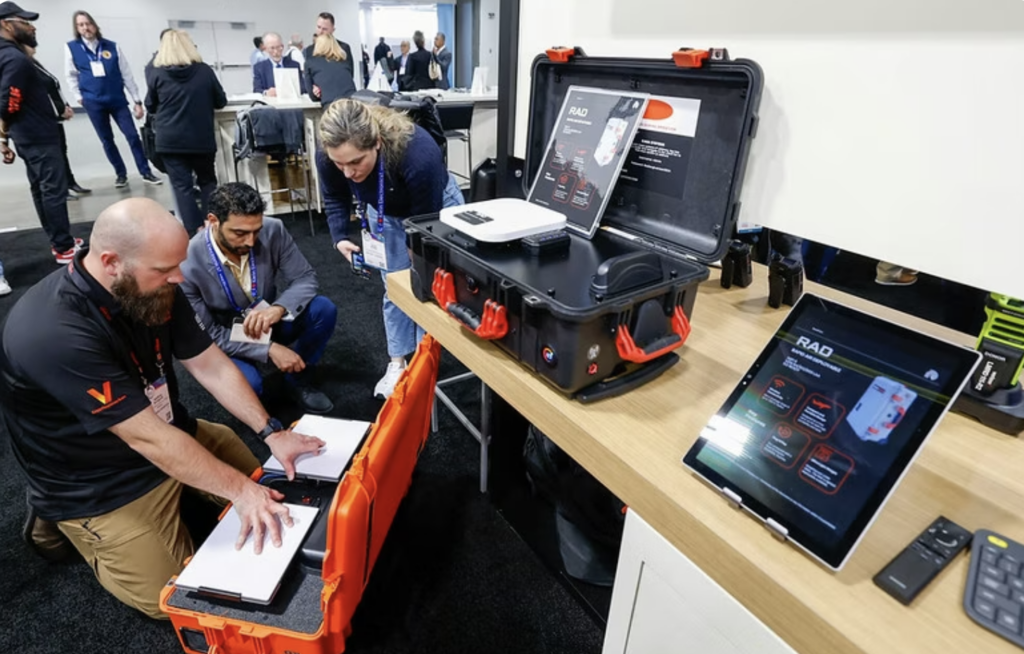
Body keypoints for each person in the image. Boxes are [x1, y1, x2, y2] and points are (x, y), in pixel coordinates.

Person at [0, 197, 325, 619]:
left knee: (276, 500)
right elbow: (146, 438)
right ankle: (57, 522)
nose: (179, 277)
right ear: (111, 262)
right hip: (99, 480)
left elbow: (208, 363)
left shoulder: (158, 284)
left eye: (178, 264)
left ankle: (194, 487)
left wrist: (271, 431)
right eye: (165, 269)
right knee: (170, 597)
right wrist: (241, 491)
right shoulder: (52, 332)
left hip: (170, 430)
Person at [317, 99, 464, 398]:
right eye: (339, 164)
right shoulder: (330, 154)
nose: (347, 173)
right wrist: (339, 236)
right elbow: (334, 195)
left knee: (429, 290)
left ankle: (424, 364)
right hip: (384, 212)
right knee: (395, 289)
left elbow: (425, 219)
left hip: (433, 209)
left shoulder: (418, 154)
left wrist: (416, 252)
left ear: (377, 143)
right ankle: (397, 363)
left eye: (356, 162)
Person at [180, 183, 337, 414]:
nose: (251, 242)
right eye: (240, 233)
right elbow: (209, 333)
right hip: (226, 335)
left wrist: (278, 308)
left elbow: (304, 277)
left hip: (268, 321)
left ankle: (298, 380)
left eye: (256, 231)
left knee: (323, 309)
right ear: (213, 221)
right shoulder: (186, 262)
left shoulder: (273, 229)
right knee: (251, 387)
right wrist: (269, 349)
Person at [0, 2, 82, 265]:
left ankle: (59, 240)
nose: (31, 27)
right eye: (24, 22)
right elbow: (8, 102)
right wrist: (3, 135)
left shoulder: (9, 54)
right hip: (37, 136)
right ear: (6, 24)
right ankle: (63, 247)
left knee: (42, 188)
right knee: (53, 190)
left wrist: (4, 137)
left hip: (27, 134)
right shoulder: (14, 59)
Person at [65, 11, 162, 189]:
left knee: (132, 136)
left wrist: (137, 101)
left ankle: (145, 171)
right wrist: (78, 97)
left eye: (88, 23)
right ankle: (121, 174)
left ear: (94, 25)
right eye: (81, 25)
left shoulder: (112, 46)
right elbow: (70, 75)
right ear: (77, 28)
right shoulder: (72, 48)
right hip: (93, 101)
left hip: (117, 100)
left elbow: (126, 74)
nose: (86, 28)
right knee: (107, 140)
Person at [145, 30, 227, 235]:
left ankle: (193, 231)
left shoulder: (157, 73)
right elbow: (221, 101)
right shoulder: (205, 71)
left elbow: (150, 105)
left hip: (170, 140)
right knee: (208, 182)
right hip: (201, 139)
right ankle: (211, 226)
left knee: (183, 187)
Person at [24, 44, 91, 198]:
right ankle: (62, 188)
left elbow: (54, 87)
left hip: (56, 117)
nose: (34, 46)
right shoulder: (24, 67)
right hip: (44, 119)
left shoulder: (36, 64)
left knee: (62, 151)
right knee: (54, 156)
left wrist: (65, 105)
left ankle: (70, 182)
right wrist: (59, 110)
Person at [305, 34, 356, 107]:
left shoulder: (310, 63)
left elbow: (312, 96)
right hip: (352, 102)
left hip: (330, 104)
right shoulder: (344, 61)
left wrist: (319, 92)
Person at [252, 32, 305, 96]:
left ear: (282, 46)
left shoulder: (294, 65)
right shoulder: (259, 68)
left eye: (278, 47)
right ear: (266, 49)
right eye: (272, 48)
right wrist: (266, 92)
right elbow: (257, 89)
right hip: (271, 101)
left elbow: (302, 87)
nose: (276, 51)